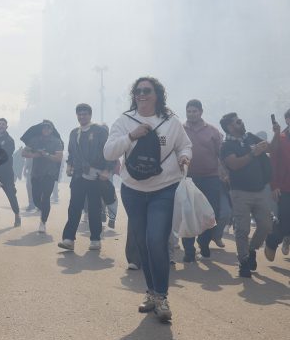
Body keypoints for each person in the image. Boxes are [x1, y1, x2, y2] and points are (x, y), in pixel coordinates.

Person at [104, 77, 191, 322]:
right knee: (142, 243)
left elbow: (185, 146)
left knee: (155, 241)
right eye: (138, 91)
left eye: (147, 90)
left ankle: (162, 297)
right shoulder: (124, 121)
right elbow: (109, 152)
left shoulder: (171, 121)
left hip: (164, 189)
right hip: (132, 190)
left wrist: (184, 157)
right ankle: (151, 293)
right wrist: (131, 136)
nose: (142, 94)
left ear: (157, 95)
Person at [219, 112, 273, 277]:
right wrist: (253, 153)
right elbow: (234, 164)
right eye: (238, 122)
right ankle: (243, 261)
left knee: (266, 225)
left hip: (260, 190)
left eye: (241, 120)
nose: (242, 123)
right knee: (242, 229)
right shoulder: (226, 146)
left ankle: (251, 249)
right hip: (239, 193)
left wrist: (276, 134)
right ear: (230, 127)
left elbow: (271, 148)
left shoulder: (250, 137)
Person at [58, 103, 111, 251]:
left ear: (90, 115)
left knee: (94, 208)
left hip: (95, 176)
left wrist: (107, 170)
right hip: (78, 175)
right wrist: (69, 166)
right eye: (79, 114)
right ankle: (69, 239)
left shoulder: (100, 131)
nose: (82, 117)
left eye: (85, 114)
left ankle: (95, 239)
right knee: (74, 207)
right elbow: (71, 152)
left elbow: (108, 151)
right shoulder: (74, 133)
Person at [180, 99, 224, 262]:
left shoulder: (212, 131)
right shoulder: (180, 130)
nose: (191, 114)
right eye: (189, 111)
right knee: (188, 214)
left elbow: (221, 154)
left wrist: (225, 173)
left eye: (194, 111)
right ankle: (189, 251)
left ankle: (204, 242)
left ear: (201, 112)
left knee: (212, 213)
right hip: (187, 178)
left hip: (211, 178)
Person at [22, 120, 64, 233]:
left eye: (48, 128)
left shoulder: (56, 141)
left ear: (52, 130)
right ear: (41, 129)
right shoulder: (34, 140)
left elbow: (59, 158)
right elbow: (24, 153)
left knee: (46, 198)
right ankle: (43, 209)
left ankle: (43, 222)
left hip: (49, 174)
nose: (46, 130)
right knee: (36, 199)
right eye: (44, 127)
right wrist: (35, 154)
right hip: (36, 173)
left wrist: (46, 154)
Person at [265, 108, 290, 261]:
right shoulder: (280, 138)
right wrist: (274, 185)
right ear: (287, 120)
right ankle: (272, 241)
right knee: (285, 221)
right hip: (284, 187)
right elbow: (272, 163)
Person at [0, 118, 21, 227]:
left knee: (11, 194)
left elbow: (5, 156)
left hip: (6, 172)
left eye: (3, 124)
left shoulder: (10, 140)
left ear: (6, 127)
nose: (1, 126)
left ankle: (17, 214)